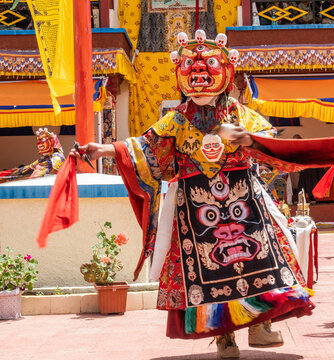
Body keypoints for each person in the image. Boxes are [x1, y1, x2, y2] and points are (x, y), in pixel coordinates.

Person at [71, 30, 313, 359]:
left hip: (244, 202)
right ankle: (223, 335)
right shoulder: (177, 120)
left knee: (264, 259)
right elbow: (143, 147)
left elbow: (270, 143)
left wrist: (246, 139)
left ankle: (260, 325)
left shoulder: (240, 115)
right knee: (211, 270)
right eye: (191, 71)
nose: (199, 77)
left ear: (224, 73)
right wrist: (102, 149)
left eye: (207, 69)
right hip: (197, 208)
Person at [0, 128, 65, 183]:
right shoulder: (44, 159)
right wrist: (5, 175)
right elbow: (26, 169)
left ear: (52, 142)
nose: (39, 144)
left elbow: (37, 178)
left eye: (43, 140)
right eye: (38, 142)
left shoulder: (57, 157)